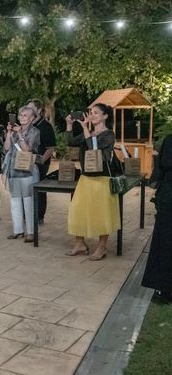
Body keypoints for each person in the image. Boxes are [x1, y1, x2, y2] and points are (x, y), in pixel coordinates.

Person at [65, 103, 119, 260]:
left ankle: (101, 248)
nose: (92, 115)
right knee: (78, 210)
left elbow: (93, 149)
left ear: (105, 116)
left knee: (102, 213)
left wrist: (85, 128)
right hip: (86, 178)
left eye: (96, 113)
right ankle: (80, 244)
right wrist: (69, 125)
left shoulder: (109, 135)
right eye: (91, 112)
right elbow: (71, 142)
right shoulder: (88, 132)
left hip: (102, 179)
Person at [3, 106, 41, 242]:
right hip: (14, 170)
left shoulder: (34, 132)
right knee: (15, 201)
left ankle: (31, 232)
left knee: (28, 201)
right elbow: (7, 148)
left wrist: (19, 134)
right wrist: (8, 133)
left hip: (27, 171)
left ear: (32, 118)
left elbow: (27, 150)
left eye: (25, 115)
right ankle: (17, 230)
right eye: (20, 115)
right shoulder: (13, 132)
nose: (22, 118)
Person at [142, 134, 172, 302]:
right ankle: (164, 288)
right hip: (169, 198)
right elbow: (165, 163)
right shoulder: (170, 140)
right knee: (165, 242)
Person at [27, 99, 56, 225]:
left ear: (39, 110)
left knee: (39, 189)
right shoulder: (27, 125)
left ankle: (39, 216)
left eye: (31, 108)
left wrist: (41, 162)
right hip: (27, 163)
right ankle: (27, 214)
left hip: (40, 164)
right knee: (27, 188)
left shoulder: (46, 126)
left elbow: (51, 148)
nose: (27, 110)